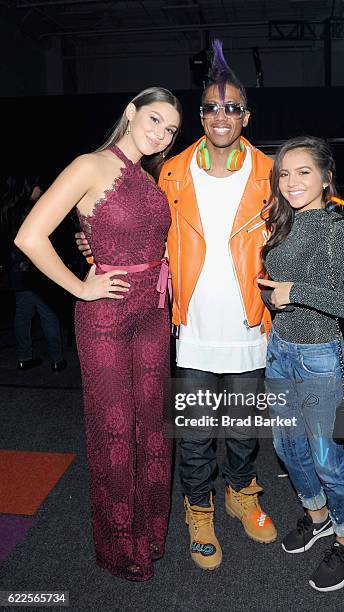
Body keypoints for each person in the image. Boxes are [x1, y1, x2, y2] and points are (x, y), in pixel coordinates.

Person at [77, 40, 277, 571]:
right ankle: (199, 508)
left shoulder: (269, 175)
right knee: (192, 431)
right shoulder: (172, 172)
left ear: (245, 116)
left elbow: (290, 237)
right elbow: (139, 228)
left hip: (249, 323)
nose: (220, 115)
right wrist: (91, 243)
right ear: (203, 114)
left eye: (232, 107)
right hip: (188, 324)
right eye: (211, 106)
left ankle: (240, 491)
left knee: (241, 428)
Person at [15, 87, 182, 581]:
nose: (159, 133)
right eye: (153, 119)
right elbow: (29, 235)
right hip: (106, 315)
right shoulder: (90, 165)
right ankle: (119, 547)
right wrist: (79, 289)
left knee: (153, 430)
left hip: (153, 310)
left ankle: (151, 534)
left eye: (170, 129)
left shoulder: (151, 178)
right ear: (130, 113)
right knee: (114, 433)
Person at [258, 136, 344, 592]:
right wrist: (272, 294)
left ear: (326, 177)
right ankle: (318, 516)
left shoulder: (338, 230)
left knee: (327, 459)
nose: (291, 182)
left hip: (320, 356)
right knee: (289, 449)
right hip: (280, 349)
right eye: (284, 174)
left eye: (303, 172)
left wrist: (294, 292)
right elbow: (280, 288)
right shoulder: (283, 224)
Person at [0, 175, 66, 372]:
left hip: (16, 272)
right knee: (48, 313)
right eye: (38, 187)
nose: (41, 191)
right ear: (29, 188)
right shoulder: (32, 211)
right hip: (37, 271)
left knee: (22, 315)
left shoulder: (7, 210)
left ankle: (23, 357)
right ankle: (57, 359)